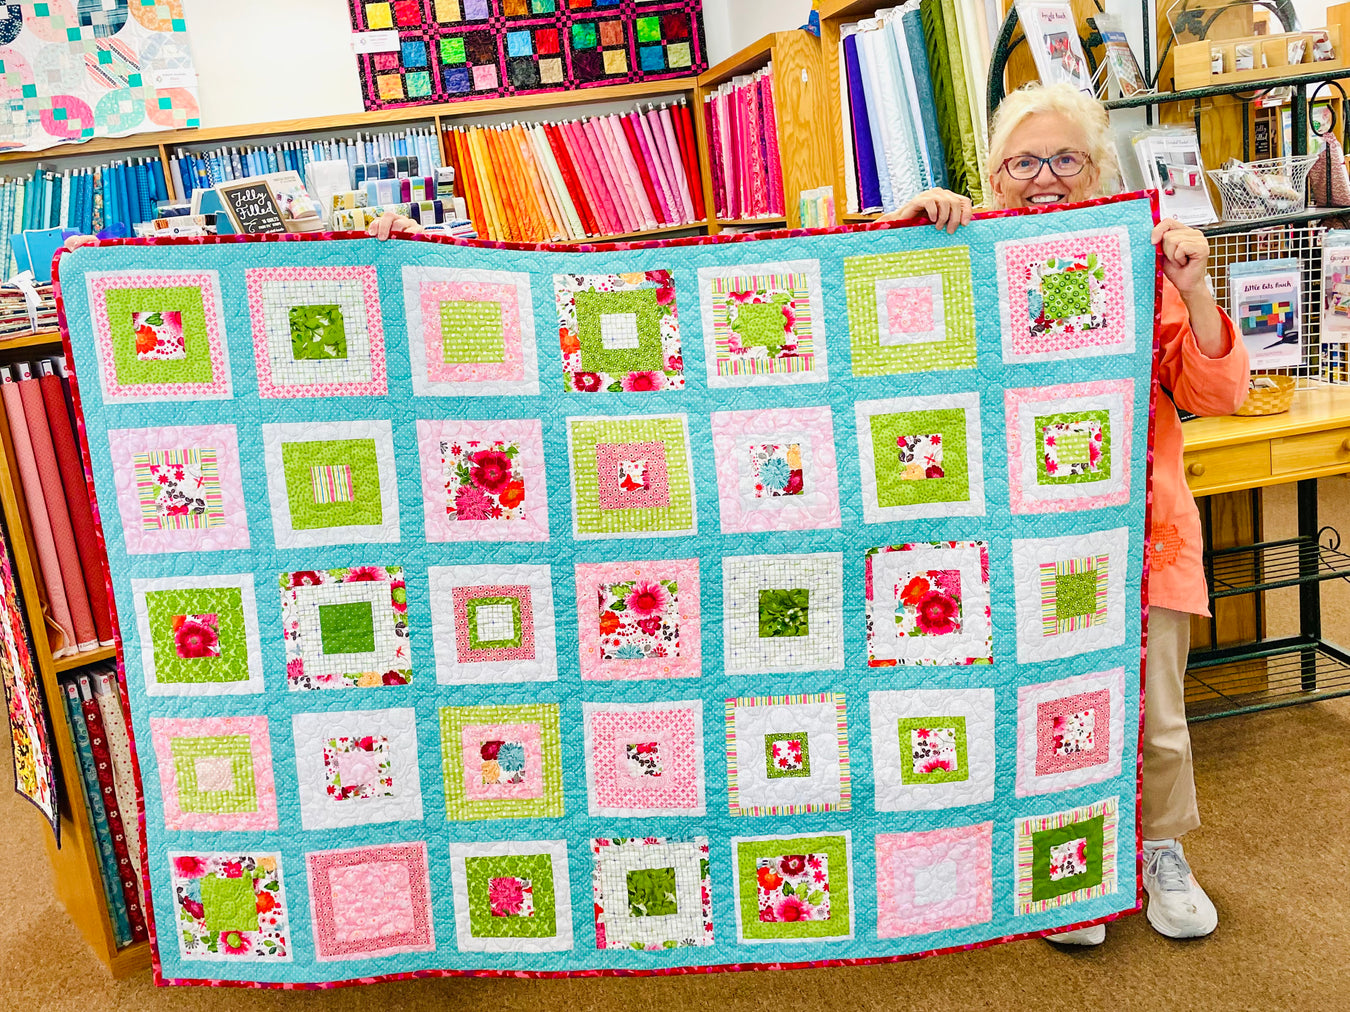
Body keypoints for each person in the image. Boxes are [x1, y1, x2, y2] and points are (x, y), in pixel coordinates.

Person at [880, 82, 1250, 945]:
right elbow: (888, 357)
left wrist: (1193, 290)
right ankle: (1067, 866)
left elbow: (1219, 391)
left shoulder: (1135, 263)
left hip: (1135, 539)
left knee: (1154, 716)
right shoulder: (961, 251)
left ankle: (1159, 851)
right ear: (995, 173)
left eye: (1065, 159)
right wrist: (907, 240)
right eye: (1023, 161)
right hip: (1012, 546)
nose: (1043, 177)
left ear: (1096, 173)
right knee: (1037, 708)